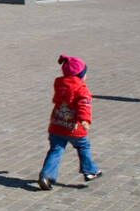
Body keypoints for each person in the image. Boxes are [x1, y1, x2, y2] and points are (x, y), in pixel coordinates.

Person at [37, 55, 102, 190]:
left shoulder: (60, 84)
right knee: (83, 146)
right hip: (73, 128)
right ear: (80, 75)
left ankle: (46, 176)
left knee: (55, 150)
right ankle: (90, 171)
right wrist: (85, 120)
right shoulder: (81, 89)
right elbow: (84, 104)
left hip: (57, 124)